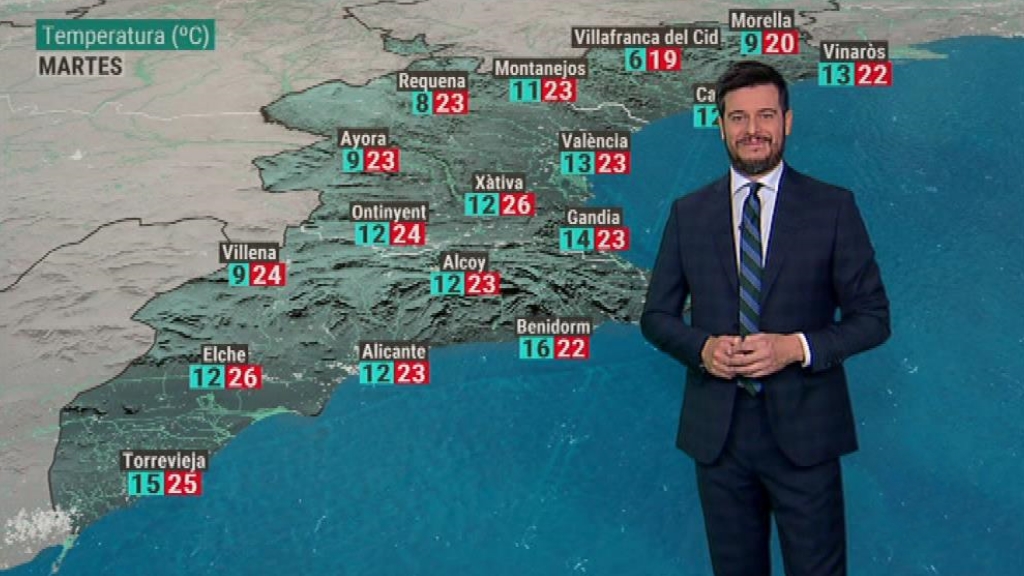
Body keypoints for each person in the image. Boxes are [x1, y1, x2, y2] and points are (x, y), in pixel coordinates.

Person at [639, 60, 891, 576]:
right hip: (719, 440)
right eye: (738, 117)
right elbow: (657, 316)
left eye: (766, 115)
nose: (752, 129)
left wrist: (794, 347)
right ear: (721, 126)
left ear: (787, 122)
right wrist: (702, 349)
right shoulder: (689, 213)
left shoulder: (832, 208)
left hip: (807, 436)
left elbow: (872, 317)